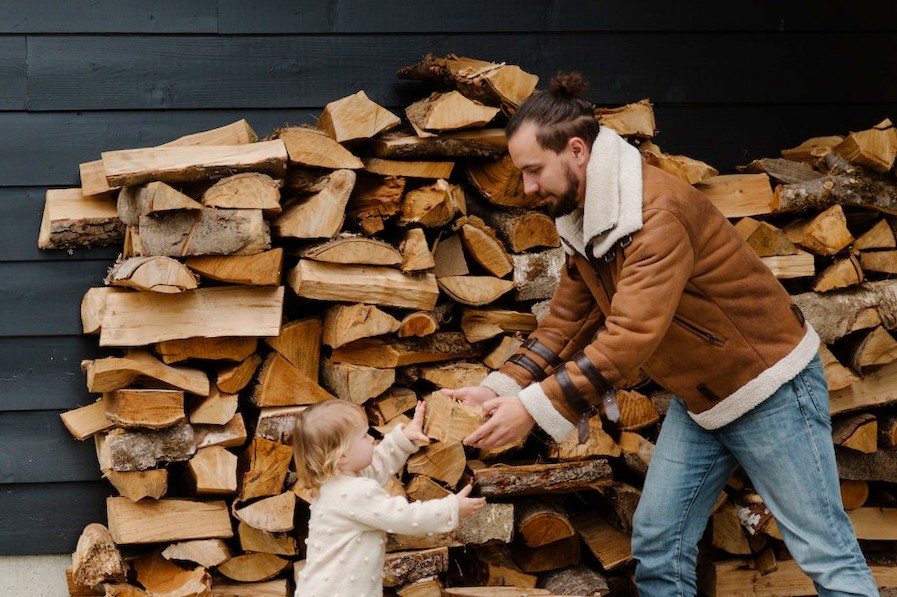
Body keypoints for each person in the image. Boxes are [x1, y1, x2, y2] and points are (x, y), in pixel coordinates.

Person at [444, 72, 878, 596]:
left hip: (769, 388)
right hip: (705, 396)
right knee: (658, 541)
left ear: (576, 150)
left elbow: (628, 337)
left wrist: (534, 409)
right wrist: (501, 388)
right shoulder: (587, 214)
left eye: (534, 170)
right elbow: (569, 319)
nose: (529, 187)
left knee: (824, 553)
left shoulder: (653, 215)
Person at [292, 398, 486, 597]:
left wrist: (403, 438)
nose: (371, 439)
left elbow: (376, 464)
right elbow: (406, 518)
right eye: (363, 436)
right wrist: (452, 508)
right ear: (342, 456)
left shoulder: (336, 481)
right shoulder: (353, 493)